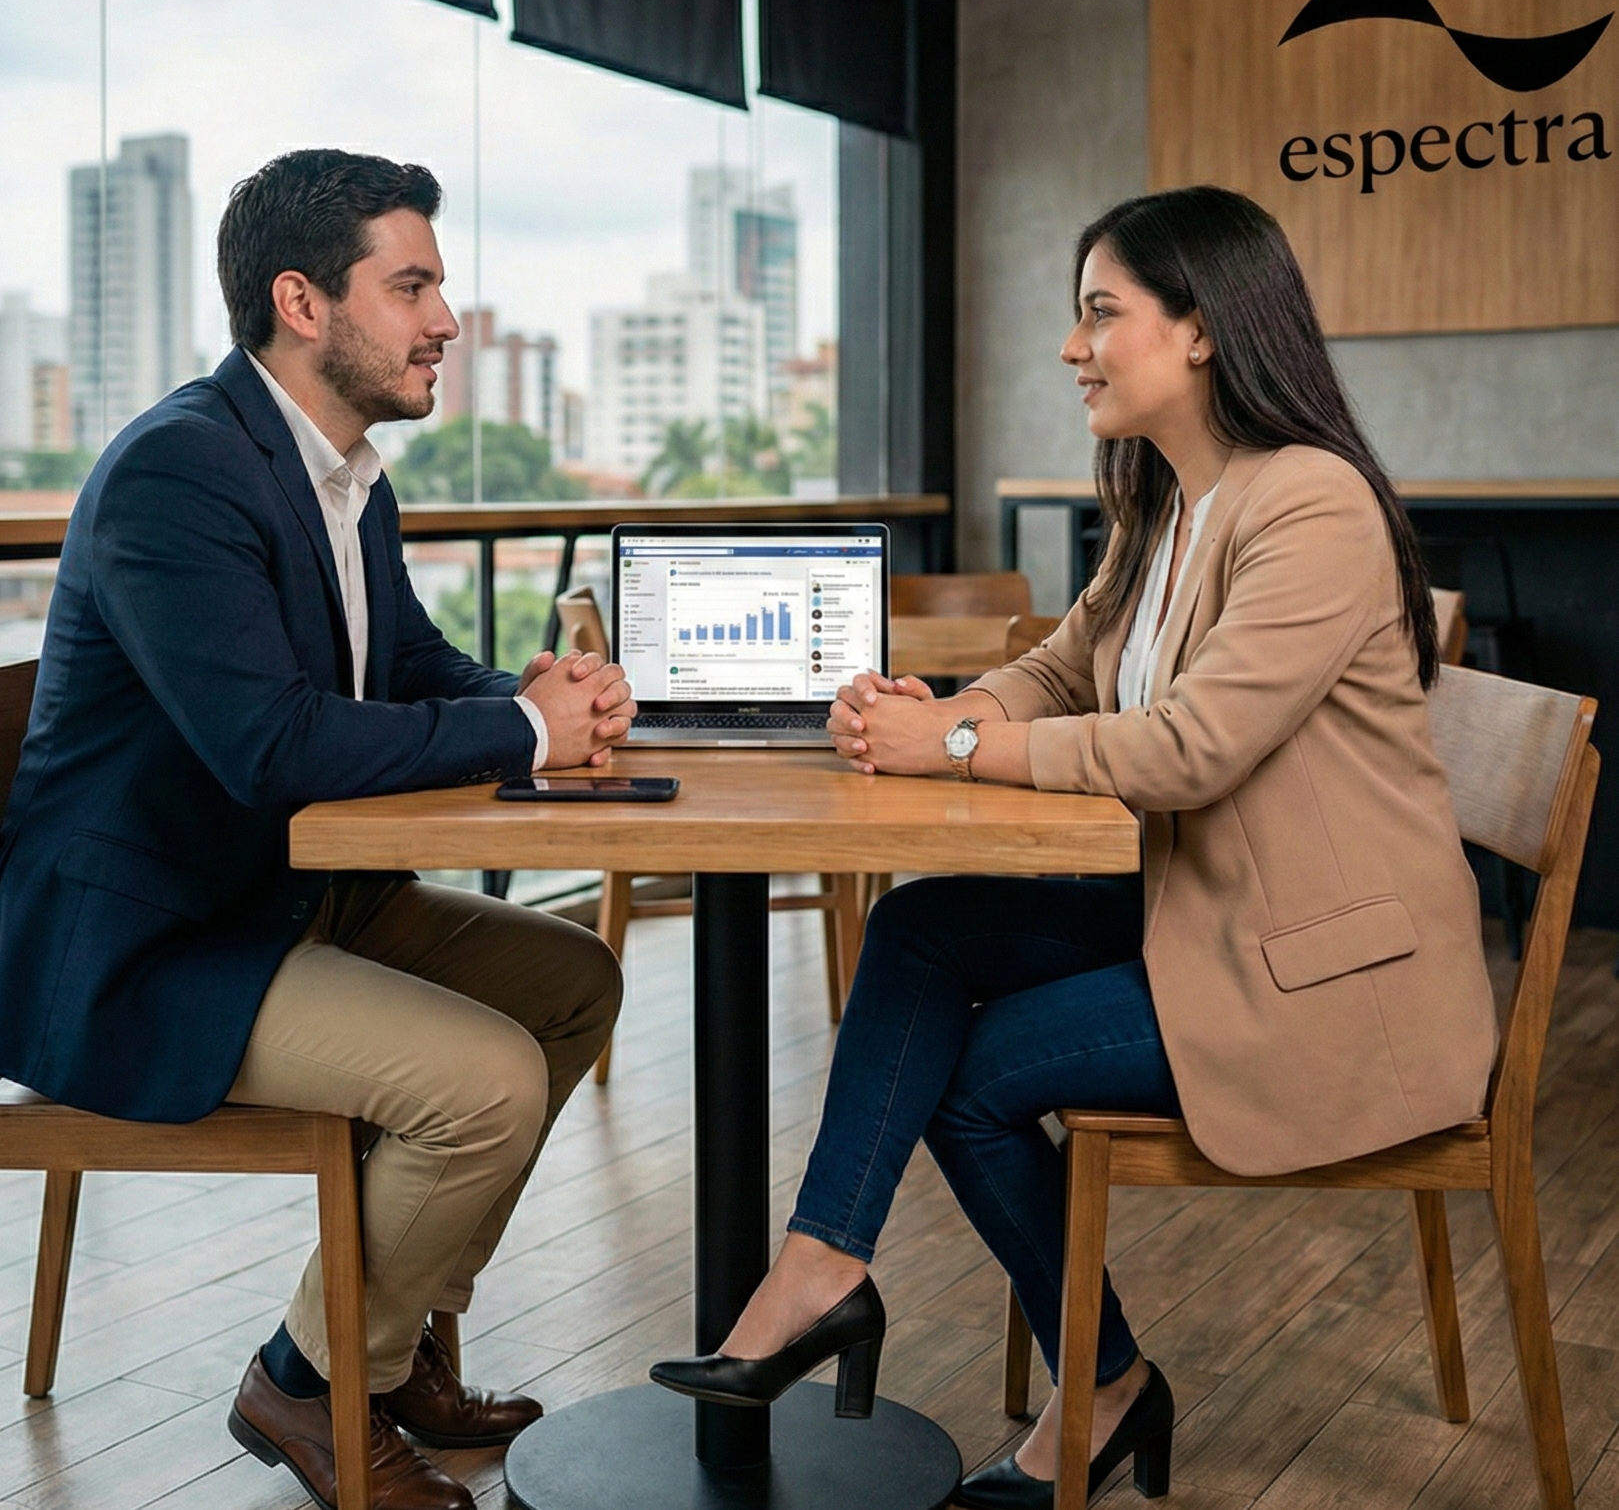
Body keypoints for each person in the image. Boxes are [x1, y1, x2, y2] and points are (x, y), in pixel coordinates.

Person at [649, 186, 1497, 1508]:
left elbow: (1192, 747)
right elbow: (1055, 669)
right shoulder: (1169, 502)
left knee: (969, 1075)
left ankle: (1101, 1385)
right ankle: (822, 1266)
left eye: (1100, 313)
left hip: (1327, 979)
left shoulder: (1310, 505)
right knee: (920, 925)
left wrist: (954, 749)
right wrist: (945, 711)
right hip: (1207, 913)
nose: (1071, 346)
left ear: (1201, 329)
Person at [0, 150, 634, 1510]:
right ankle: (306, 1377)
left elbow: (405, 664)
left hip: (277, 899)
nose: (446, 320)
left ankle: (391, 1349)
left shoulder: (347, 478)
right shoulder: (179, 473)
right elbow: (272, 744)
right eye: (412, 287)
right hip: (153, 944)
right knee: (485, 1081)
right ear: (302, 302)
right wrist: (524, 736)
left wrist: (530, 696)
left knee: (575, 981)